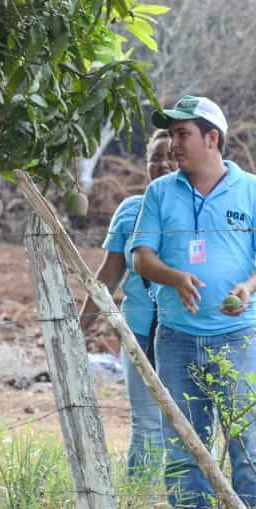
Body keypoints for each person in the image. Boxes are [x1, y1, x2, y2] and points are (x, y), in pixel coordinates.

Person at [130, 95, 256, 509]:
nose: (173, 144)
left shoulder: (255, 191)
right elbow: (142, 257)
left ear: (212, 139)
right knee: (184, 448)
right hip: (176, 341)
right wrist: (174, 277)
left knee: (252, 447)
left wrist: (249, 286)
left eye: (182, 134)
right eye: (171, 134)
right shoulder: (160, 192)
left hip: (237, 337)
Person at [80, 128, 174, 478]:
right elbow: (108, 275)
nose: (163, 164)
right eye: (156, 158)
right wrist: (78, 329)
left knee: (189, 427)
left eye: (171, 156)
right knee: (147, 426)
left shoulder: (199, 210)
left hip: (183, 334)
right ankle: (140, 508)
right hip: (138, 334)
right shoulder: (131, 210)